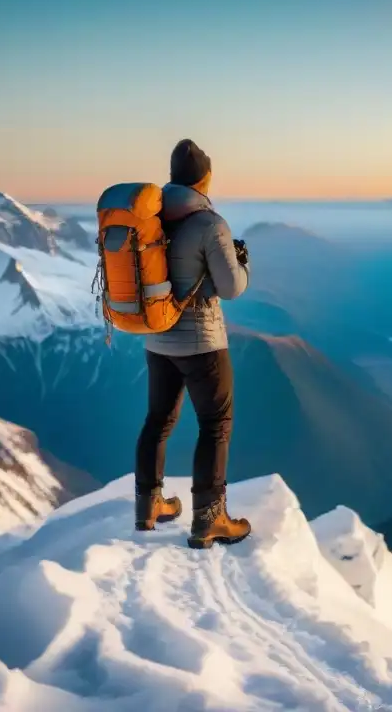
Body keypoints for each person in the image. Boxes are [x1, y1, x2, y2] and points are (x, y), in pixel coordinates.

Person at [134, 138, 253, 549]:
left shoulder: (149, 219)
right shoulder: (209, 224)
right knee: (215, 424)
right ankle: (209, 519)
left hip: (157, 340)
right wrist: (242, 261)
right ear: (205, 178)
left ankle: (149, 505)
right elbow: (231, 287)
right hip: (202, 343)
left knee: (158, 420)